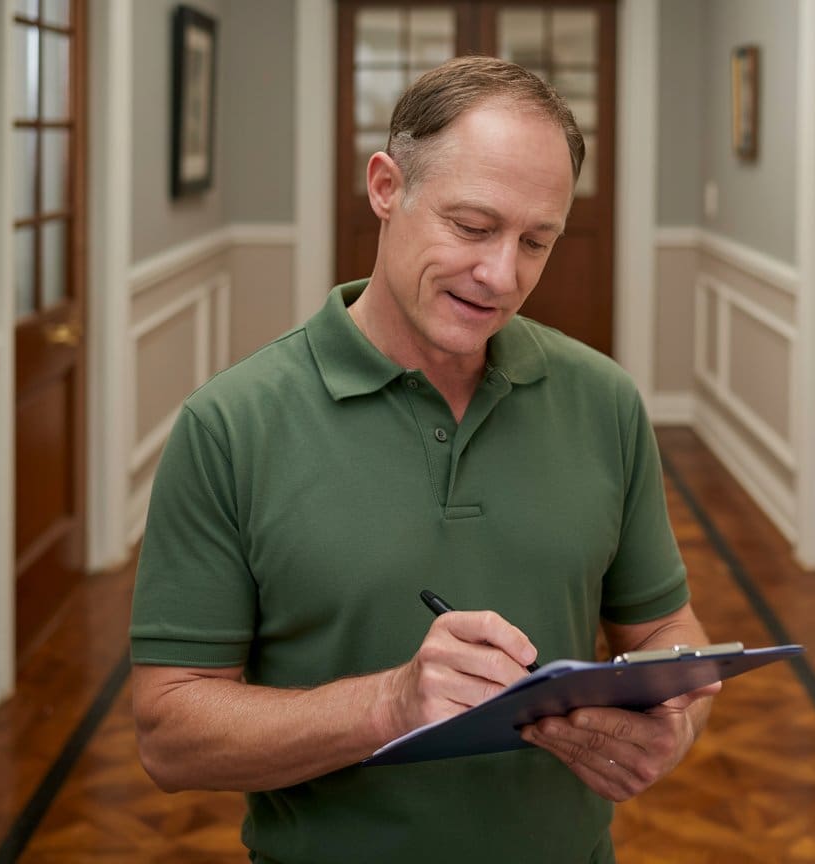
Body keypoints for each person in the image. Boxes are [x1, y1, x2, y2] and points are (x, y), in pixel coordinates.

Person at [130, 55, 719, 863]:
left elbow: (664, 627)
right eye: (473, 227)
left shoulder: (604, 401)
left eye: (536, 242)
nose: (500, 274)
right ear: (385, 186)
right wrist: (392, 703)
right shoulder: (232, 424)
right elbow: (169, 735)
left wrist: (672, 725)